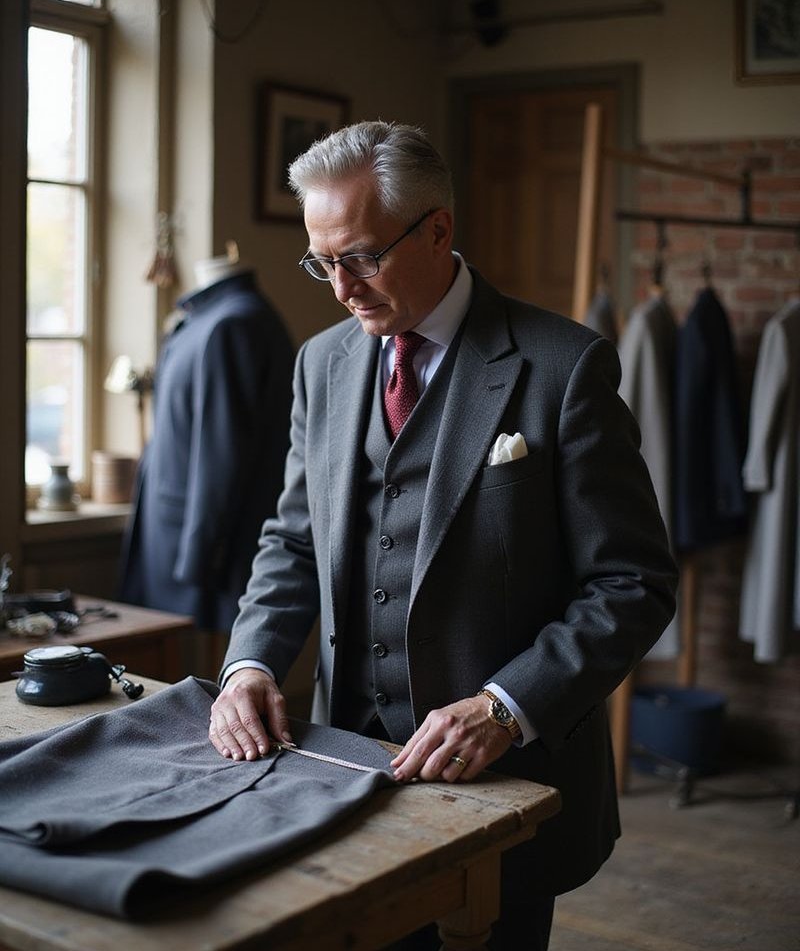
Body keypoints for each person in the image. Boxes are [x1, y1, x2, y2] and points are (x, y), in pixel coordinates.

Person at [208, 121, 677, 949]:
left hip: (506, 783)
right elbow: (294, 541)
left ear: (437, 230)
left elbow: (633, 584)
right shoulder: (321, 364)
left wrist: (505, 707)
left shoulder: (564, 367)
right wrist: (249, 664)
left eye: (362, 257)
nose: (342, 289)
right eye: (323, 262)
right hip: (341, 774)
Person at [119, 252, 295, 665]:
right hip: (177, 530)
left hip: (200, 540)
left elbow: (221, 452)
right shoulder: (208, 318)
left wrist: (201, 557)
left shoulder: (232, 325)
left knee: (212, 671)